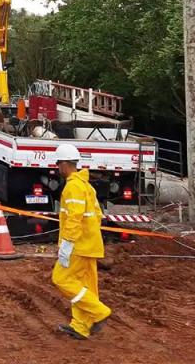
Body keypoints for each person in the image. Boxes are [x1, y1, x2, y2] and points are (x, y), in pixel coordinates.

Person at [50, 143, 112, 340]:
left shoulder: (73, 187)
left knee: (61, 279)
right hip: (90, 245)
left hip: (78, 245)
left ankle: (98, 312)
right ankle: (81, 326)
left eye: (58, 163)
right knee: (85, 287)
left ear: (64, 164)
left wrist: (67, 244)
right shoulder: (87, 186)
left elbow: (74, 218)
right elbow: (97, 215)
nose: (58, 167)